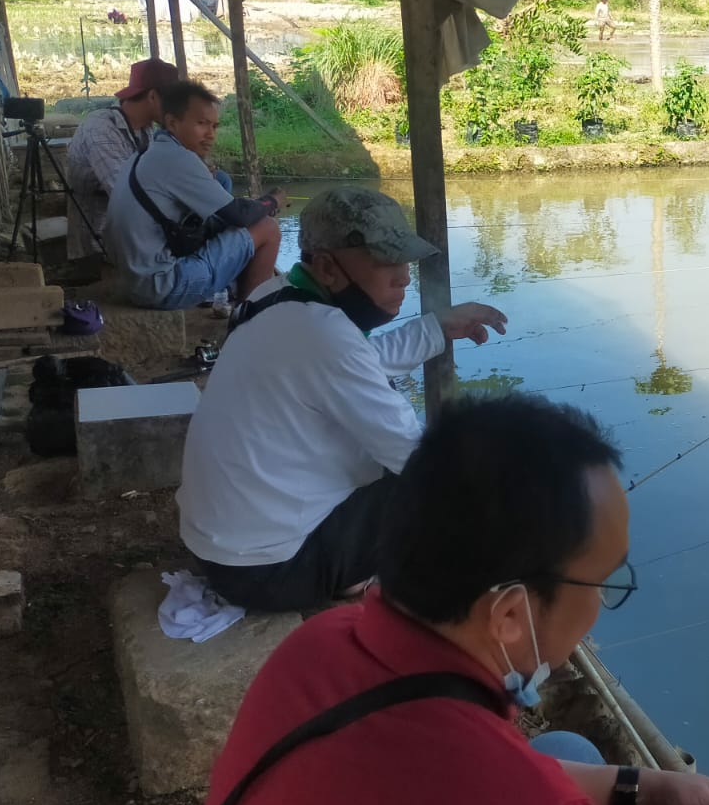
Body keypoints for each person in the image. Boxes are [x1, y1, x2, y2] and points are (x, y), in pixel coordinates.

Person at [185, 394, 709, 805]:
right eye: (600, 582)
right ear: (509, 616)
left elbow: (437, 790)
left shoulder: (318, 646)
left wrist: (639, 791)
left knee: (568, 747)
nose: (599, 605)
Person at [177, 185, 509, 612]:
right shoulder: (325, 335)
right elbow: (417, 457)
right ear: (329, 268)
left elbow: (356, 363)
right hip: (268, 573)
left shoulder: (275, 297)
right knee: (429, 480)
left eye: (404, 260)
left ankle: (353, 573)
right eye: (385, 261)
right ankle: (373, 587)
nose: (404, 276)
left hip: (226, 551)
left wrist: (435, 328)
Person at [103, 81, 284, 309]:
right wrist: (272, 201)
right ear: (172, 122)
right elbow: (240, 216)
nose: (210, 135)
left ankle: (234, 294)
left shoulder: (149, 152)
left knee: (222, 184)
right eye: (202, 124)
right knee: (267, 228)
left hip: (135, 279)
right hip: (161, 286)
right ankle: (248, 317)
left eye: (214, 126)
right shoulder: (178, 158)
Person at [65, 57, 177, 260]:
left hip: (134, 224)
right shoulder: (100, 129)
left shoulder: (147, 129)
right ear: (152, 96)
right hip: (101, 233)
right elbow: (126, 193)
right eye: (173, 102)